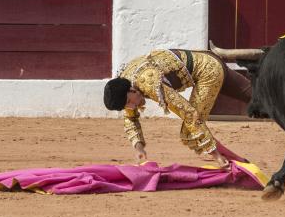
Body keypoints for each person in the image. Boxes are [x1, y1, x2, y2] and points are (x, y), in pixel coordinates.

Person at [103, 48, 252, 167]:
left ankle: (235, 162)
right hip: (206, 60)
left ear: (132, 91)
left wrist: (215, 155)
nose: (132, 106)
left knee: (189, 133)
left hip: (208, 71)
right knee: (256, 96)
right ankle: (232, 159)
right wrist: (139, 149)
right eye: (127, 105)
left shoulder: (148, 82)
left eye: (129, 102)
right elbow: (130, 119)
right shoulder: (125, 84)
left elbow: (189, 114)